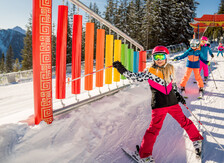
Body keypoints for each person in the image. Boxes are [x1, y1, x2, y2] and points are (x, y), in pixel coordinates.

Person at [113, 46, 203, 163]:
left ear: (167, 57)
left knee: (184, 121)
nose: (159, 59)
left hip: (172, 103)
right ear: (153, 58)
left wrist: (177, 95)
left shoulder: (170, 69)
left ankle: (197, 139)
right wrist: (121, 69)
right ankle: (145, 155)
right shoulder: (150, 72)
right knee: (154, 129)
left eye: (161, 56)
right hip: (159, 105)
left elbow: (172, 85)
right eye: (156, 57)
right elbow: (133, 77)